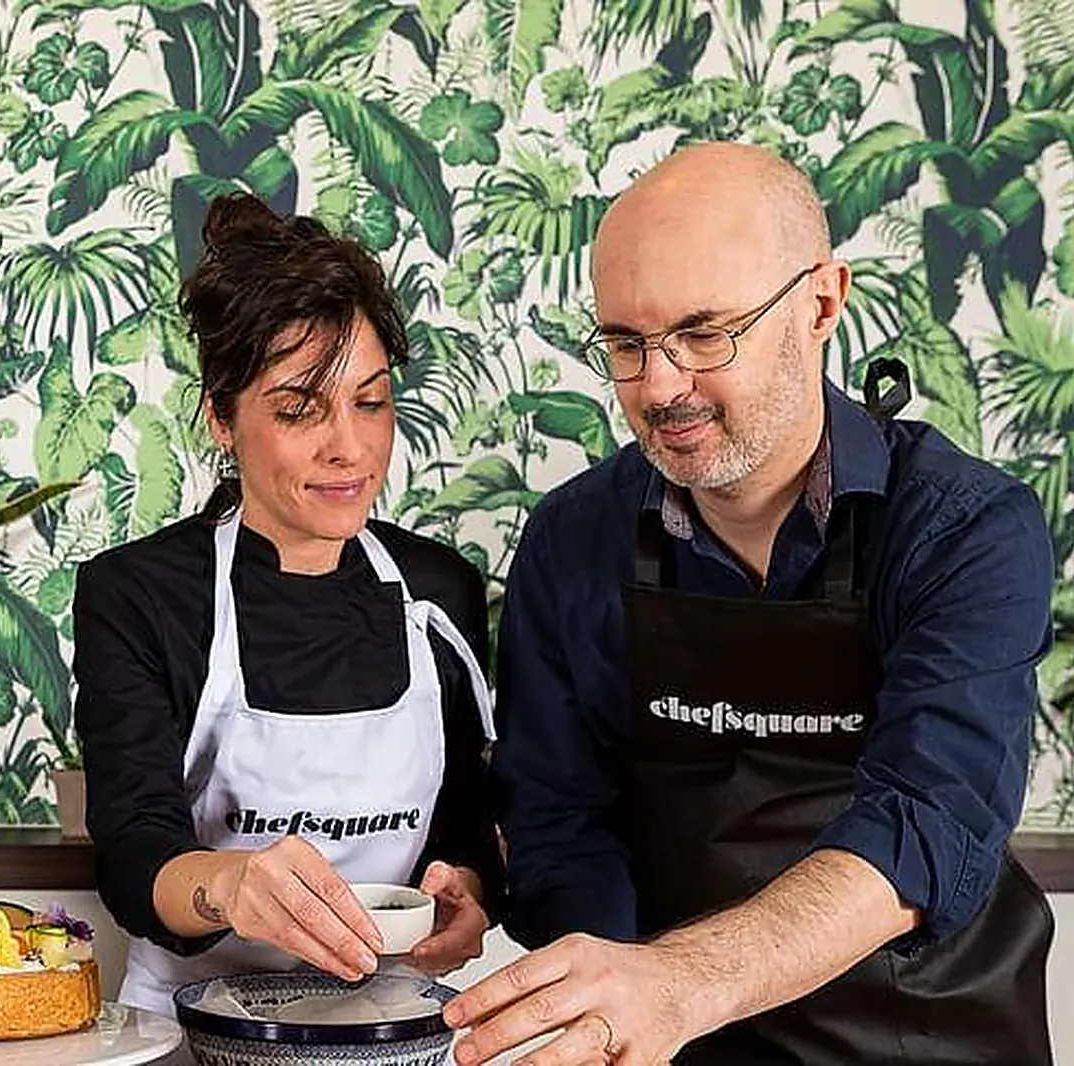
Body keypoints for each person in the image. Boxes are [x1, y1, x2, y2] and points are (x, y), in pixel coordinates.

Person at [445, 142, 1055, 1065]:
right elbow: (561, 821)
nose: (658, 386)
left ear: (820, 304)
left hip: (923, 1036)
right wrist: (610, 1012)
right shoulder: (574, 541)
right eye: (625, 344)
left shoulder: (965, 532)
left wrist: (682, 983)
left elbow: (928, 820)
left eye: (704, 333)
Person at [72, 194, 504, 1018]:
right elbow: (134, 855)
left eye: (371, 402)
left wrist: (467, 890)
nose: (349, 445)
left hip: (395, 1024)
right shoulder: (142, 594)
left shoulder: (438, 591)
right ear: (223, 419)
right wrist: (234, 887)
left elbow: (463, 822)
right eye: (300, 408)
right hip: (192, 1029)